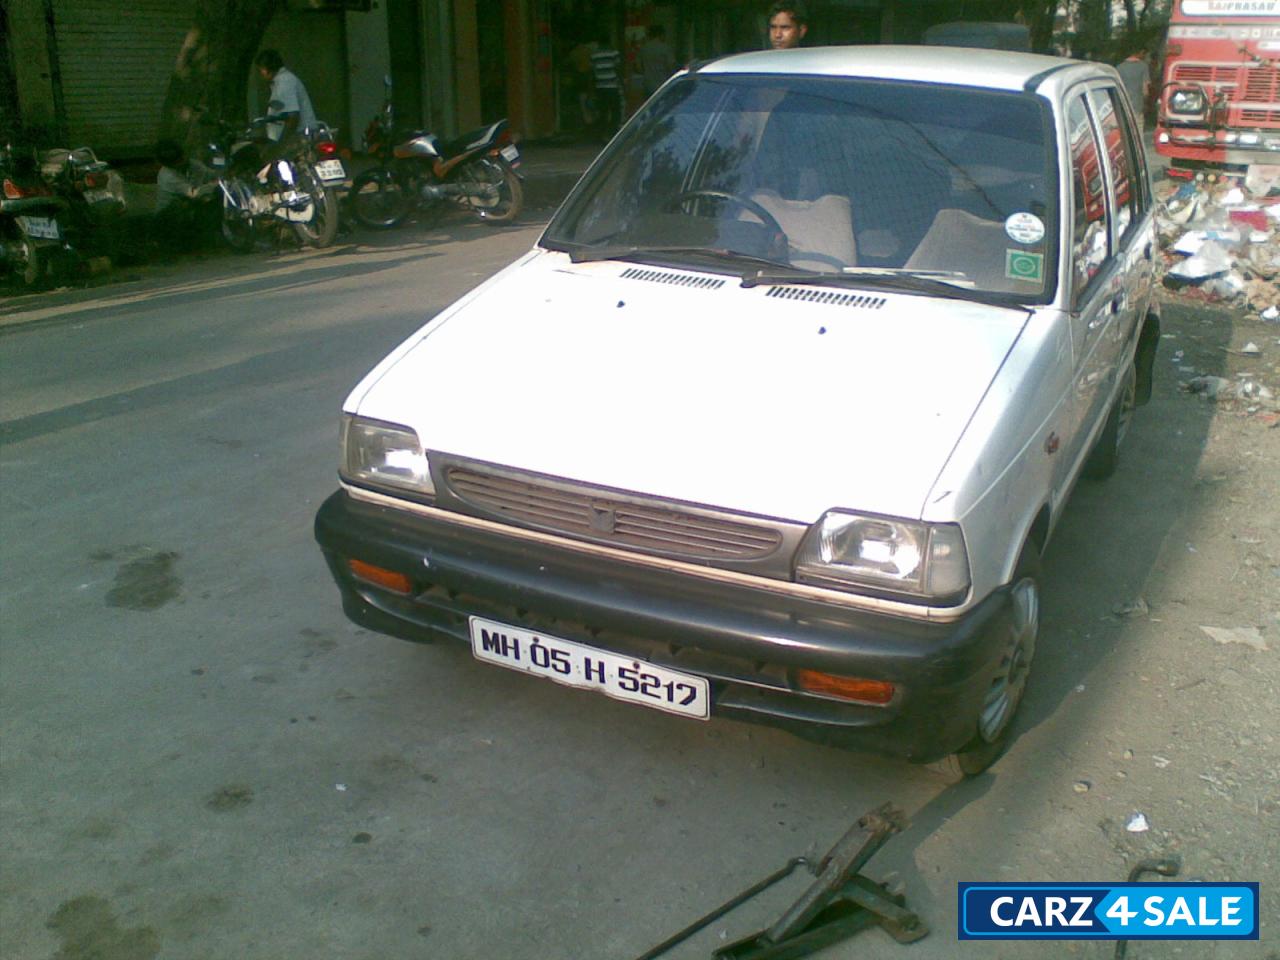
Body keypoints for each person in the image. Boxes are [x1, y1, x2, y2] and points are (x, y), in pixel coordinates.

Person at [151, 139, 217, 253]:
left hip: (191, 204)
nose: (180, 163)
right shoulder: (167, 175)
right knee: (182, 207)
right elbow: (193, 193)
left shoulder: (194, 165)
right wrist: (213, 185)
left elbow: (212, 174)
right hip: (168, 215)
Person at [254, 49, 317, 145]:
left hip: (298, 141)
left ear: (265, 69)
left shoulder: (284, 82)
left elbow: (293, 118)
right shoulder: (281, 81)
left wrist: (281, 144)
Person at [590, 42, 623, 135]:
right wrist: (622, 83)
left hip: (600, 87)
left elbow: (592, 71)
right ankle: (612, 131)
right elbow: (618, 68)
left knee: (602, 111)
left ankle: (603, 132)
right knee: (616, 110)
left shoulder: (594, 55)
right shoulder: (614, 53)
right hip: (612, 86)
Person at [1116, 49, 1150, 139]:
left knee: (1124, 131)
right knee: (1138, 133)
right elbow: (1145, 90)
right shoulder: (1143, 66)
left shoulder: (1119, 68)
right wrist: (1145, 101)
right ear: (1139, 52)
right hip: (1137, 105)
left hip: (1122, 105)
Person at [639, 25, 676, 98]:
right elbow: (671, 67)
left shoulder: (644, 48)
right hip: (663, 85)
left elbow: (639, 67)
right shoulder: (665, 48)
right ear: (661, 35)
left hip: (648, 86)